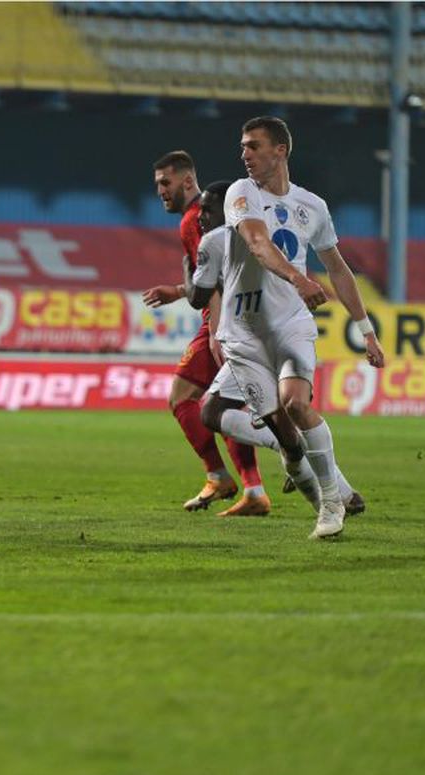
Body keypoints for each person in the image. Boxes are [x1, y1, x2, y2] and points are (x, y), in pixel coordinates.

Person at [186, 117, 385, 539]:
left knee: (296, 403)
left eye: (253, 146)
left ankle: (332, 505)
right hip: (244, 334)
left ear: (280, 151)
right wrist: (298, 277)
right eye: (242, 147)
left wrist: (366, 330)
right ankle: (317, 488)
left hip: (291, 322)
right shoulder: (241, 193)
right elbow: (258, 243)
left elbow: (339, 269)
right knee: (287, 439)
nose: (245, 154)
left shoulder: (312, 206)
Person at [142, 151, 268, 516]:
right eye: (156, 185)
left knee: (182, 397)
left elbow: (217, 280)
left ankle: (220, 475)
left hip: (223, 319)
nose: (160, 191)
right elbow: (211, 275)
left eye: (165, 183)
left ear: (186, 181)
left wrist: (216, 332)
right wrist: (179, 290)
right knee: (222, 403)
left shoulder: (195, 219)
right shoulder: (206, 216)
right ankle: (254, 490)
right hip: (236, 316)